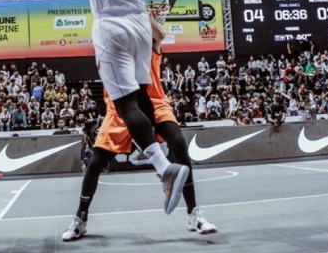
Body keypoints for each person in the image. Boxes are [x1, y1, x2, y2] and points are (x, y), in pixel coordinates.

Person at [83, 0, 238, 215]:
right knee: (140, 97)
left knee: (126, 104)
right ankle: (161, 164)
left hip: (110, 24)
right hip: (141, 26)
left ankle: (163, 167)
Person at [63, 17, 217, 241]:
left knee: (179, 143)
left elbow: (160, 34)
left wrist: (139, 11)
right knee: (96, 162)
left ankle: (194, 215)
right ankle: (80, 219)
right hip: (119, 108)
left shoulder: (148, 42)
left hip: (155, 103)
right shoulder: (111, 45)